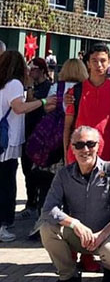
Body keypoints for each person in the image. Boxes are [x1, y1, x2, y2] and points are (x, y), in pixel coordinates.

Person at [40, 125, 110, 282]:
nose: (85, 149)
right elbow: (48, 209)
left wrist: (102, 235)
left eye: (90, 144)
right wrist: (75, 224)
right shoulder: (63, 174)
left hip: (107, 234)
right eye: (79, 145)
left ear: (98, 146)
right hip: (79, 235)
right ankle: (69, 278)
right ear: (72, 148)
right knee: (47, 228)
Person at [0, 51, 56, 241]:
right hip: (8, 141)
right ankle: (4, 224)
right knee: (7, 183)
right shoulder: (14, 84)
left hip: (5, 139)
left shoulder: (3, 83)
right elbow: (19, 107)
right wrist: (42, 102)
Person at [63, 43, 110, 165]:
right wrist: (66, 154)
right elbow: (68, 126)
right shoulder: (76, 91)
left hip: (105, 154)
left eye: (103, 61)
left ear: (109, 62)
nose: (99, 65)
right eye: (94, 61)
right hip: (78, 153)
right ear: (88, 63)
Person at [21, 57, 55, 221]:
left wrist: (28, 86)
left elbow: (32, 103)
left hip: (40, 136)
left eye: (34, 68)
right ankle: (30, 203)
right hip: (27, 133)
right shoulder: (30, 86)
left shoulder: (47, 87)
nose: (31, 71)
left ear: (42, 70)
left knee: (38, 173)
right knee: (27, 170)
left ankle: (37, 205)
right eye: (29, 68)